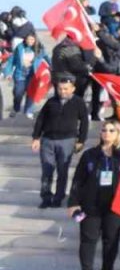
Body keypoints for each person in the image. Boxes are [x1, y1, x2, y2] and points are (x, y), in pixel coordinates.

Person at [65, 118, 120, 270]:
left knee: (111, 241)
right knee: (88, 239)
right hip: (91, 205)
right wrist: (73, 202)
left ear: (118, 134)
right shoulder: (90, 155)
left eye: (111, 130)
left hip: (115, 207)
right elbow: (78, 180)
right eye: (104, 130)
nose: (107, 133)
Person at [31, 74, 89, 209]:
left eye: (66, 89)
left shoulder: (79, 102)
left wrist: (81, 140)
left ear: (73, 89)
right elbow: (40, 119)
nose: (63, 91)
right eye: (60, 89)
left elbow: (85, 122)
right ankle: (46, 197)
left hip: (67, 141)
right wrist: (36, 137)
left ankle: (59, 197)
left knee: (62, 171)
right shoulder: (51, 102)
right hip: (48, 141)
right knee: (47, 170)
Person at [2, 33, 46, 118]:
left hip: (33, 75)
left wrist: (52, 68)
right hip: (20, 75)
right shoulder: (19, 48)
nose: (30, 41)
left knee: (31, 94)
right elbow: (11, 60)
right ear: (25, 40)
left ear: (35, 40)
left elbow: (47, 58)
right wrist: (7, 72)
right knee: (18, 92)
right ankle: (16, 108)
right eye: (28, 39)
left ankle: (28, 111)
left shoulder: (39, 49)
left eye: (32, 40)